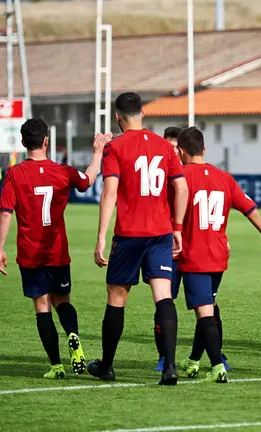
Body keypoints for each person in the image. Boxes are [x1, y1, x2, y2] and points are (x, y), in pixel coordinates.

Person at [88, 92, 188, 385]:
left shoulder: (115, 147)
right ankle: (170, 367)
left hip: (129, 234)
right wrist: (177, 228)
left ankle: (107, 366)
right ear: (143, 112)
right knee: (163, 296)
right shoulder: (164, 146)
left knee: (117, 296)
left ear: (117, 117)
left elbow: (109, 192)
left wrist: (101, 237)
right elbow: (181, 188)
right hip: (160, 233)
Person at [0, 118, 107, 378]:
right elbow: (88, 179)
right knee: (62, 301)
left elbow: (5, 212)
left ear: (23, 143)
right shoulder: (62, 171)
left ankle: (56, 366)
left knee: (42, 307)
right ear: (46, 141)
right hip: (57, 252)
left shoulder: (15, 173)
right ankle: (73, 335)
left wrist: (0, 248)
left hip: (30, 254)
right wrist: (98, 152)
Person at [175, 127, 261, 383]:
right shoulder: (224, 178)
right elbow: (249, 207)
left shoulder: (180, 177)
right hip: (219, 256)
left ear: (181, 152)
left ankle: (218, 366)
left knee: (204, 313)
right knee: (207, 308)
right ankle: (194, 360)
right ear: (204, 149)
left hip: (194, 255)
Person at [153, 125, 183, 372]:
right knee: (164, 300)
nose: (172, 151)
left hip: (192, 246)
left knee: (208, 303)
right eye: (168, 146)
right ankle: (164, 356)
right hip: (166, 244)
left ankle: (217, 354)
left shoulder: (190, 174)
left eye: (175, 147)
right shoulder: (158, 176)